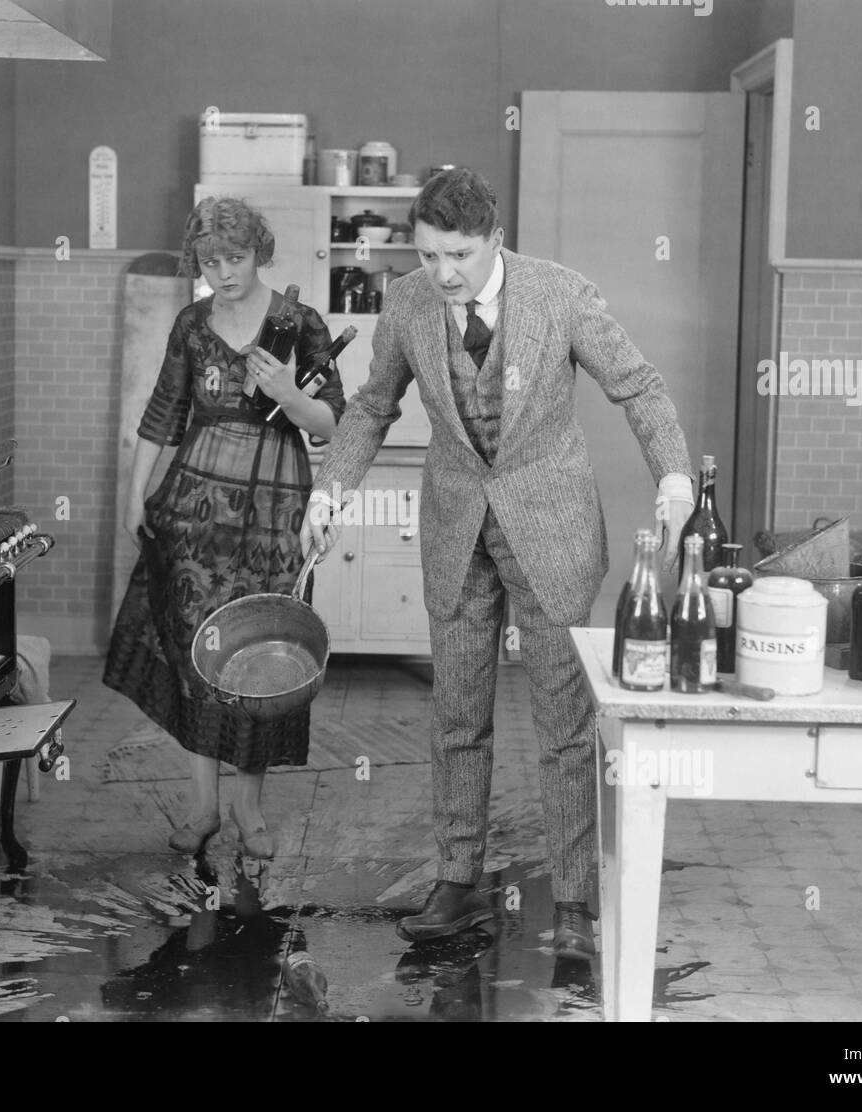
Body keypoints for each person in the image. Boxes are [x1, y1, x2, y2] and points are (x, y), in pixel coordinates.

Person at [300, 168, 694, 959]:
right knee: (456, 716)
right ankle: (457, 882)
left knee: (563, 725)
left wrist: (676, 480)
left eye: (460, 255)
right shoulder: (410, 302)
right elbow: (374, 403)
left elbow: (640, 388)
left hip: (549, 530)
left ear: (495, 241)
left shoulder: (562, 296)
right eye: (430, 254)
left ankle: (578, 898)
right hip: (455, 526)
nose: (444, 272)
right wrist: (330, 489)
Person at [106, 196, 345, 860]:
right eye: (210, 261)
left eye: (235, 258)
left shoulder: (299, 324)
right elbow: (162, 415)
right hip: (194, 517)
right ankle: (205, 807)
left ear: (259, 251)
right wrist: (135, 496)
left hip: (277, 515)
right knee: (198, 659)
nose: (224, 273)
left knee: (263, 659)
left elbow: (336, 423)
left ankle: (249, 809)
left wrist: (290, 395)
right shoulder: (191, 323)